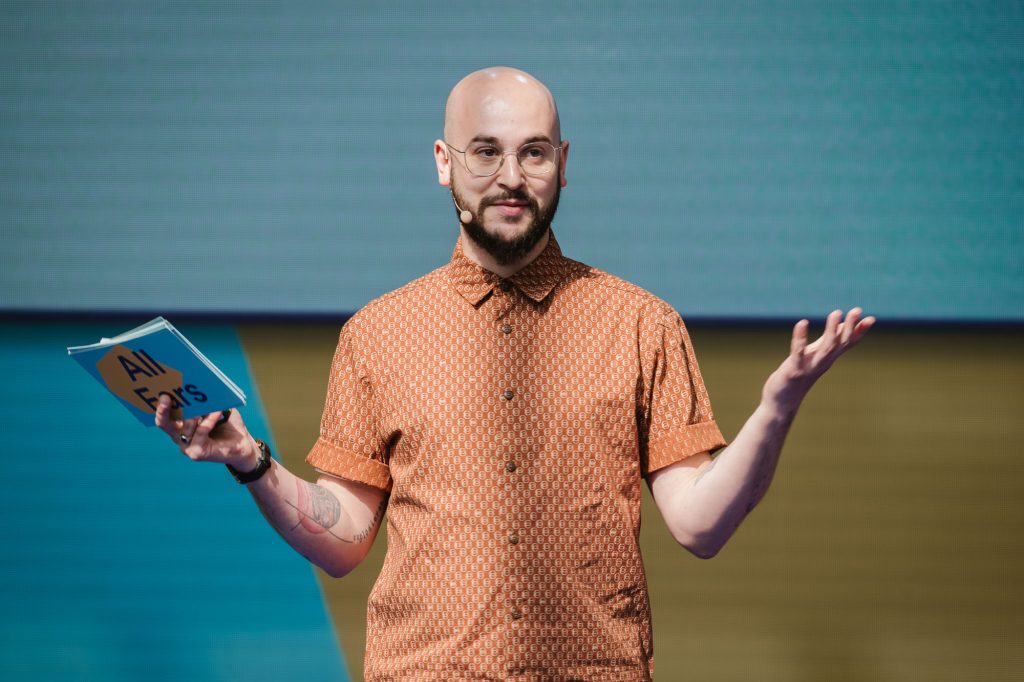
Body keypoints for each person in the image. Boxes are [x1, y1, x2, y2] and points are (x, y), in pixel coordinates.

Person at [156, 67, 874, 681]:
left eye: (533, 153)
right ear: (443, 161)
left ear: (563, 161)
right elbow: (343, 539)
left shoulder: (643, 324)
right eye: (485, 152)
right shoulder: (375, 334)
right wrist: (250, 461)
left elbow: (700, 527)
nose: (510, 177)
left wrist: (776, 409)